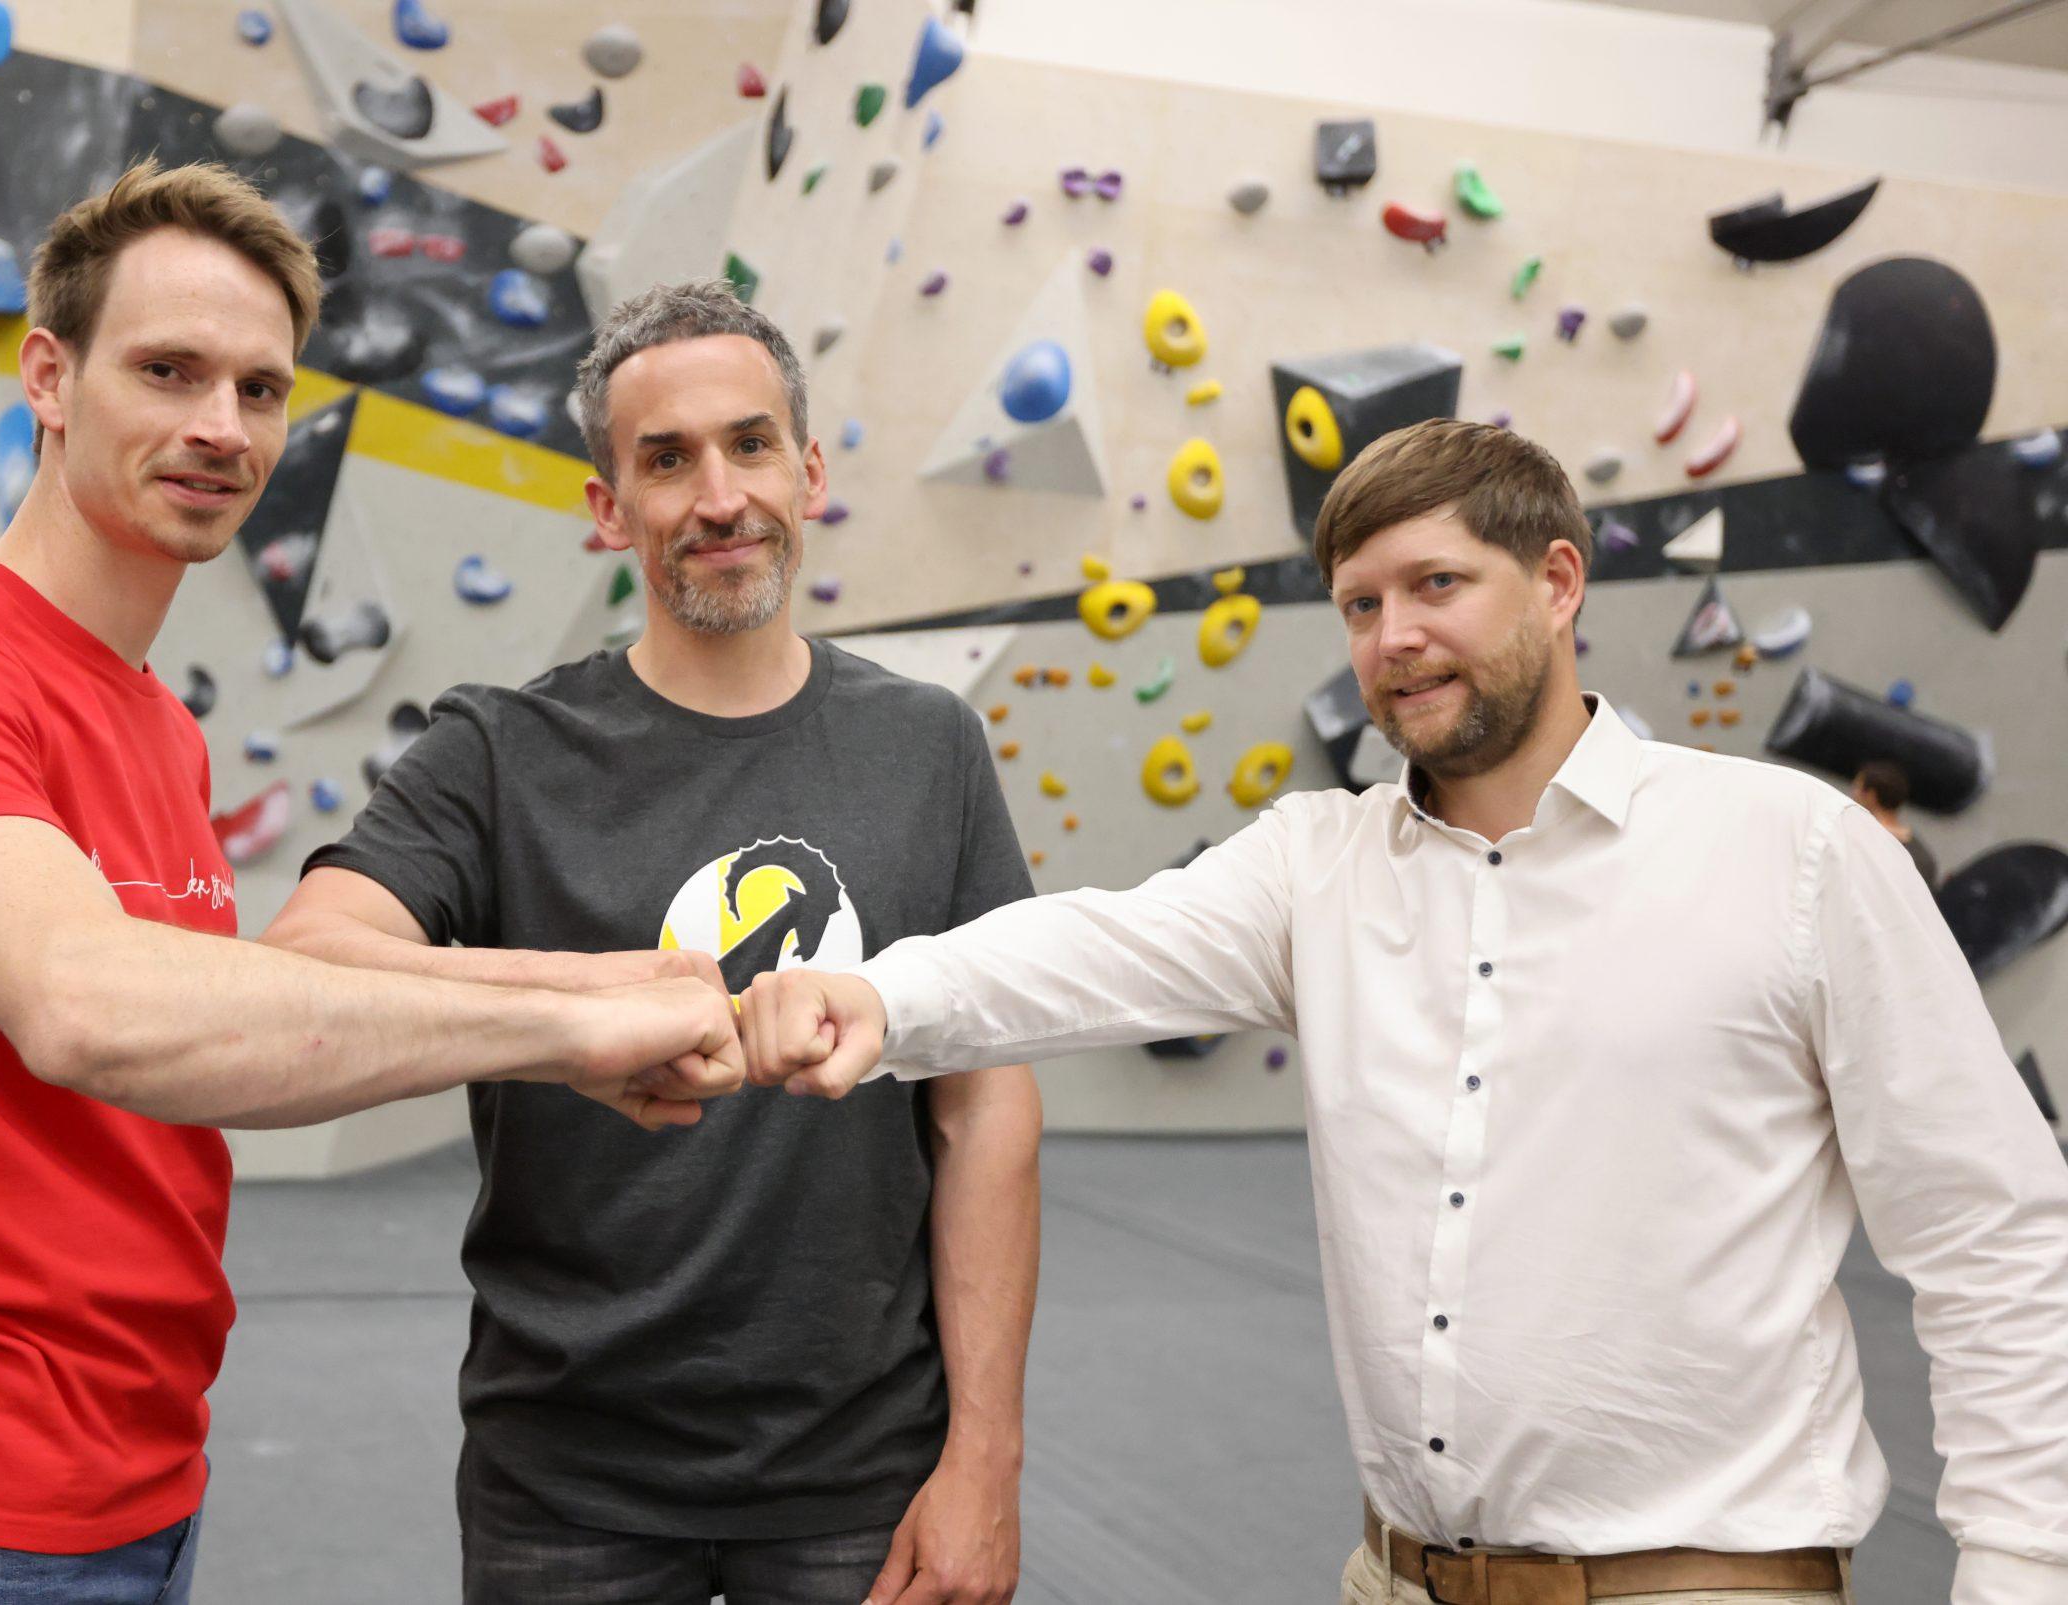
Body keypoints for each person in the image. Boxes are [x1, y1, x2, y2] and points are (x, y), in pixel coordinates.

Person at [741, 419, 2068, 1605]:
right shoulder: (1317, 864)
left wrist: (2022, 1569)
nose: (1394, 639)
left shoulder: (1794, 851)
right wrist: (872, 996)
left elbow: (1994, 1234)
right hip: (1397, 1578)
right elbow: (1092, 948)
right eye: (1360, 605)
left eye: (1438, 585)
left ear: (1558, 581)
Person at [0, 162, 740, 1605]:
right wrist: (569, 1030)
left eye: (260, 389)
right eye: (168, 371)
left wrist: (608, 984)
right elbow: (91, 1008)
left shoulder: (156, 722)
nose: (222, 425)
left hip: (133, 1468)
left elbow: (243, 1011)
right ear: (49, 376)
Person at [262, 279, 1043, 1605]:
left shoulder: (930, 747)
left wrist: (987, 1457)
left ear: (809, 472)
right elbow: (306, 964)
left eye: (750, 445)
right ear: (608, 507)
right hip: (568, 1480)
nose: (719, 497)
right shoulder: (498, 750)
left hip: (863, 1474)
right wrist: (579, 1009)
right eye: (667, 460)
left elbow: (988, 1109)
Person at [1853, 758, 1939, 886]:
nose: (1853, 794)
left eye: (1857, 787)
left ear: (1871, 795)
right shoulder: (1923, 857)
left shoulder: (1859, 838)